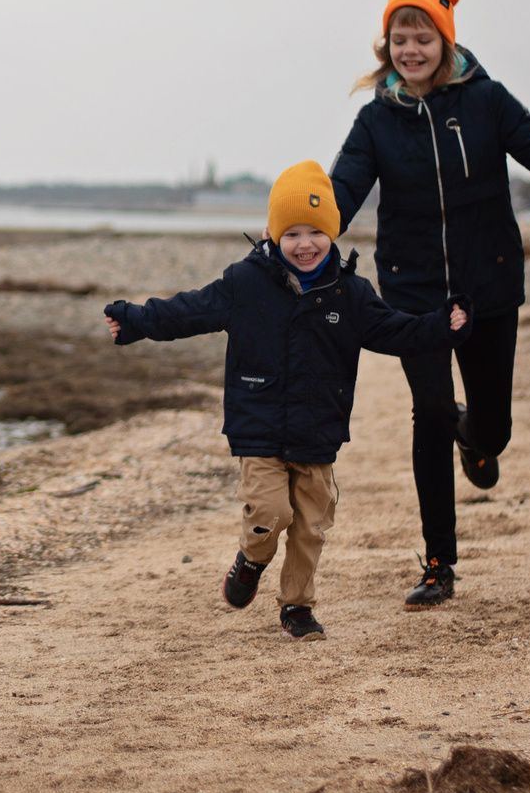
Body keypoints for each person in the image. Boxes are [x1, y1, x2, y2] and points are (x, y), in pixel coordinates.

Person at [102, 162, 467, 640]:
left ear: (332, 233)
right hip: (261, 425)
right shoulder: (245, 283)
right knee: (271, 514)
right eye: (291, 232)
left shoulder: (351, 294)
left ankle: (297, 606)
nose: (304, 244)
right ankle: (251, 560)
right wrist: (134, 321)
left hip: (319, 430)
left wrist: (444, 323)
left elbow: (398, 330)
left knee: (311, 527)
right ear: (272, 233)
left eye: (315, 231)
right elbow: (188, 312)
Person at [328, 0, 530, 610]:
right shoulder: (376, 121)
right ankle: (439, 564)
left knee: (490, 427)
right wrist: (302, 219)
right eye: (399, 38)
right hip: (414, 296)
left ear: (445, 40)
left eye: (421, 37)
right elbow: (340, 194)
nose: (409, 50)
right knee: (431, 414)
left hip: (489, 287)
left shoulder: (487, 101)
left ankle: (478, 442)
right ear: (386, 46)